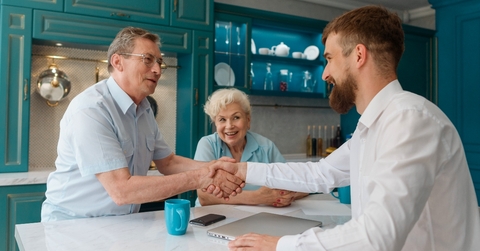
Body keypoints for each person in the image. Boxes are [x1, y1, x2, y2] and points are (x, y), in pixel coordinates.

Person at [218, 6, 480, 251]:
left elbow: (376, 237)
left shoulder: (410, 121)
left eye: (329, 59)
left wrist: (280, 245)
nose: (325, 74)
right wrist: (241, 170)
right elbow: (320, 174)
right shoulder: (375, 125)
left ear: (358, 55)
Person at [41, 27, 243, 222]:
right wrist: (202, 178)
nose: (157, 70)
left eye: (159, 63)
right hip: (72, 224)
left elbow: (168, 162)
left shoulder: (144, 109)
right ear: (118, 61)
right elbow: (122, 190)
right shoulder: (92, 109)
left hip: (118, 222)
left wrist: (213, 167)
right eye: (147, 60)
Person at [194, 88, 308, 207]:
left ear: (248, 121)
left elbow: (297, 182)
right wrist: (259, 197)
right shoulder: (207, 145)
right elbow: (204, 196)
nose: (229, 126)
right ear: (215, 124)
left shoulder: (266, 147)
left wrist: (283, 195)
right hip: (212, 218)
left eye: (236, 117)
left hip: (257, 219)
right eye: (222, 119)